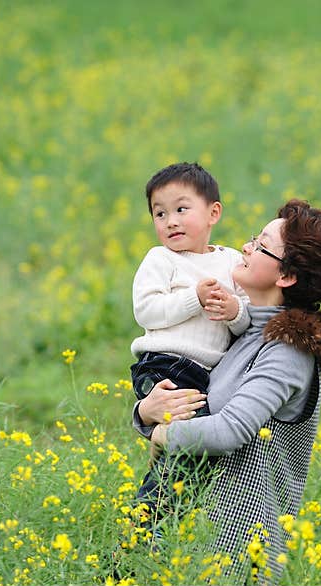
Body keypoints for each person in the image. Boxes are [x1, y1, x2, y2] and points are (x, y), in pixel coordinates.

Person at [133, 198, 321, 584]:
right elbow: (192, 402)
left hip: (237, 553)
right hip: (197, 541)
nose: (246, 246)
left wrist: (165, 434)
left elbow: (228, 430)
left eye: (261, 243)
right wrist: (146, 414)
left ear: (285, 276)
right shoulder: (244, 329)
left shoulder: (287, 352)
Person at [128, 162, 251, 540]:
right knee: (183, 458)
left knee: (190, 460)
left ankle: (157, 532)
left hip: (207, 375)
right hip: (163, 364)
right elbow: (146, 311)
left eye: (182, 209)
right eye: (159, 213)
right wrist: (193, 300)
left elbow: (246, 318)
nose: (170, 221)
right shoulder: (160, 260)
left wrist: (234, 312)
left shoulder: (231, 261)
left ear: (213, 212)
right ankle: (144, 533)